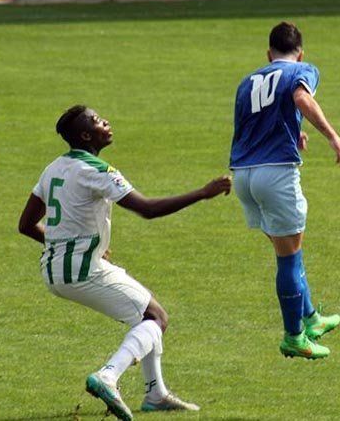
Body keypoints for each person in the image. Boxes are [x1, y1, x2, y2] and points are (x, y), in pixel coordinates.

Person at [18, 105, 232, 421]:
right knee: (156, 318)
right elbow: (147, 209)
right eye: (96, 120)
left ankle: (155, 394)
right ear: (86, 135)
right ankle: (108, 376)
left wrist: (65, 243)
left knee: (146, 315)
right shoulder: (98, 171)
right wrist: (203, 193)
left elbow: (26, 224)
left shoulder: (53, 168)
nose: (105, 121)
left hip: (55, 268)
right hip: (81, 269)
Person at [229, 22, 340, 360]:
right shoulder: (302, 70)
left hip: (243, 175)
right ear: (300, 53)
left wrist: (292, 132)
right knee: (289, 256)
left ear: (268, 54)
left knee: (287, 248)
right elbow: (300, 97)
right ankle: (294, 337)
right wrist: (333, 137)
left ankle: (310, 318)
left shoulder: (247, 81)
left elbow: (251, 125)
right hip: (275, 174)